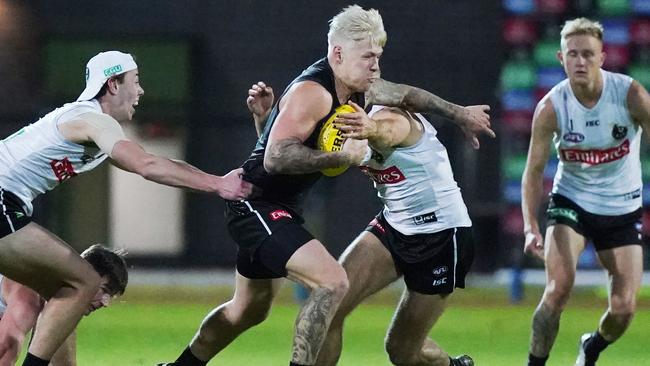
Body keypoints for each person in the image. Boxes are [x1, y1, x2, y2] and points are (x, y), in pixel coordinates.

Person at [159, 5, 493, 366]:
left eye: (378, 56)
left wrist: (459, 113)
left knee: (249, 311)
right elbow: (274, 160)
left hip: (440, 232)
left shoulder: (364, 93)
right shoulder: (316, 93)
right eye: (367, 56)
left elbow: (406, 97)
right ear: (337, 53)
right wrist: (338, 157)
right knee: (331, 285)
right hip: (257, 205)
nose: (375, 66)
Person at [0, 50, 255, 366]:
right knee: (83, 281)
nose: (141, 91)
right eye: (136, 81)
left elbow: (156, 162)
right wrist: (219, 185)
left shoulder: (90, 125)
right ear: (113, 84)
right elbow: (146, 165)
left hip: (9, 206)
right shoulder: (93, 120)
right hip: (3, 201)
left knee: (63, 290)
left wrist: (213, 180)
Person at [250, 81, 478, 366]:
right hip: (393, 226)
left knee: (402, 351)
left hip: (441, 235)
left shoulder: (391, 115)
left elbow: (391, 130)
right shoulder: (336, 122)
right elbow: (284, 166)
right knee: (329, 305)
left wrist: (371, 130)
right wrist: (265, 122)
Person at [521, 18, 650, 366]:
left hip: (622, 207)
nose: (581, 61)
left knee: (623, 309)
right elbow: (533, 172)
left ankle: (591, 347)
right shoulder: (551, 107)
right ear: (561, 59)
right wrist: (530, 225)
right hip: (571, 202)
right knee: (557, 288)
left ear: (602, 57)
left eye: (588, 54)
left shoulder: (630, 95)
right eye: (573, 54)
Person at [0, 244, 128, 366]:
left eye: (110, 296)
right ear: (85, 278)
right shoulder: (30, 298)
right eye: (104, 290)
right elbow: (5, 348)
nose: (105, 303)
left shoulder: (60, 305)